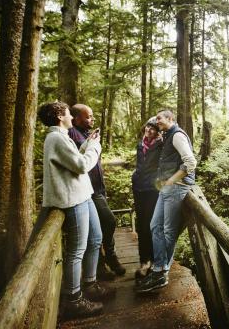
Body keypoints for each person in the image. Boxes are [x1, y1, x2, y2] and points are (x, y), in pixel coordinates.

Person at [38, 101, 115, 319]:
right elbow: (81, 166)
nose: (71, 115)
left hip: (83, 194)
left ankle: (90, 284)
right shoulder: (55, 137)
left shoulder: (61, 136)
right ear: (59, 116)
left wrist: (86, 145)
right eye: (67, 113)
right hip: (73, 199)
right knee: (76, 250)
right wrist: (95, 147)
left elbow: (73, 160)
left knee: (95, 239)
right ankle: (74, 299)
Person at [136, 109, 196, 292]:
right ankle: (159, 268)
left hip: (176, 187)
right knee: (155, 226)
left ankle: (160, 272)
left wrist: (171, 180)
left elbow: (191, 162)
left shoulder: (177, 135)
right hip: (166, 188)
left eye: (160, 118)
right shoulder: (167, 135)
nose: (157, 121)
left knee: (169, 231)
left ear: (170, 118)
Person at [68, 104, 126, 279]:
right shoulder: (72, 134)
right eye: (88, 117)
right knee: (108, 221)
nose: (92, 120)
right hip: (88, 191)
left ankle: (108, 258)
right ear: (76, 118)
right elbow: (81, 161)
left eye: (92, 116)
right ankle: (103, 261)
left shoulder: (85, 134)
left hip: (98, 188)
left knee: (102, 225)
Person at [131, 117, 162, 280]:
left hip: (152, 189)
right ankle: (144, 261)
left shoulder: (161, 144)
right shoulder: (140, 143)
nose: (148, 131)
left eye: (153, 128)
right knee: (142, 225)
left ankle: (155, 261)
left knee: (151, 225)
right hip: (138, 188)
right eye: (147, 127)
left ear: (158, 131)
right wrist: (135, 177)